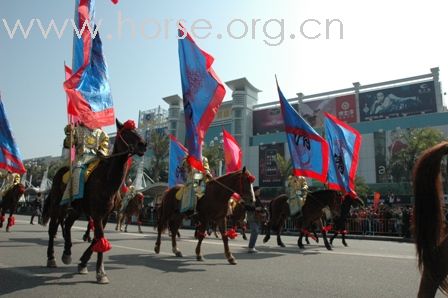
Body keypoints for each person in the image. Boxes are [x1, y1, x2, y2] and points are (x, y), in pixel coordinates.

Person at [61, 122, 109, 205]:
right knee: (78, 171)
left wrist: (102, 152)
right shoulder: (78, 129)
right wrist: (70, 133)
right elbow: (68, 144)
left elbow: (104, 147)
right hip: (81, 158)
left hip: (97, 158)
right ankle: (74, 201)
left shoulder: (102, 134)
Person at [246, 186, 264, 253]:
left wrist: (262, 209)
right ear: (254, 191)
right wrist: (255, 208)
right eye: (258, 191)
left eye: (259, 191)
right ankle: (251, 248)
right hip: (252, 217)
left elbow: (261, 207)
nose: (259, 192)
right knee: (255, 231)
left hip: (258, 217)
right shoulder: (250, 198)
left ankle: (252, 247)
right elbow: (246, 207)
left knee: (256, 232)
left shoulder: (258, 198)